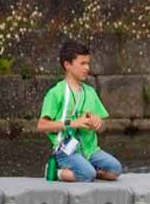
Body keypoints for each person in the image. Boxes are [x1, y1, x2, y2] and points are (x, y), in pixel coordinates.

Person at [36, 39, 123, 183]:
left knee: (115, 170)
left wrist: (98, 123)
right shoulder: (56, 93)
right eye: (82, 63)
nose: (87, 68)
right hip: (66, 151)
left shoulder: (90, 92)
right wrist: (72, 123)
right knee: (87, 175)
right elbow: (42, 125)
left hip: (91, 151)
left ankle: (87, 169)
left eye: (88, 63)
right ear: (67, 65)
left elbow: (103, 126)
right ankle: (56, 172)